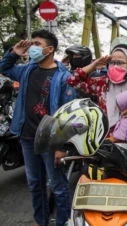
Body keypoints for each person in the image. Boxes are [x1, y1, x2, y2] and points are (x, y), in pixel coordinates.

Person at [66, 37, 127, 226]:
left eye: (120, 62)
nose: (114, 65)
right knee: (94, 183)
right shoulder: (101, 84)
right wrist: (95, 65)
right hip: (106, 147)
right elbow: (72, 81)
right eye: (112, 62)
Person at [0, 30, 75, 226]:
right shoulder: (27, 70)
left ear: (50, 49)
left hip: (51, 139)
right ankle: (40, 220)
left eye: (36, 43)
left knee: (58, 184)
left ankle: (63, 222)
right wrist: (14, 53)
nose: (32, 47)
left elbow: (67, 114)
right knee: (35, 184)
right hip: (26, 137)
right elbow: (4, 67)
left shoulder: (64, 77)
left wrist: (61, 146)